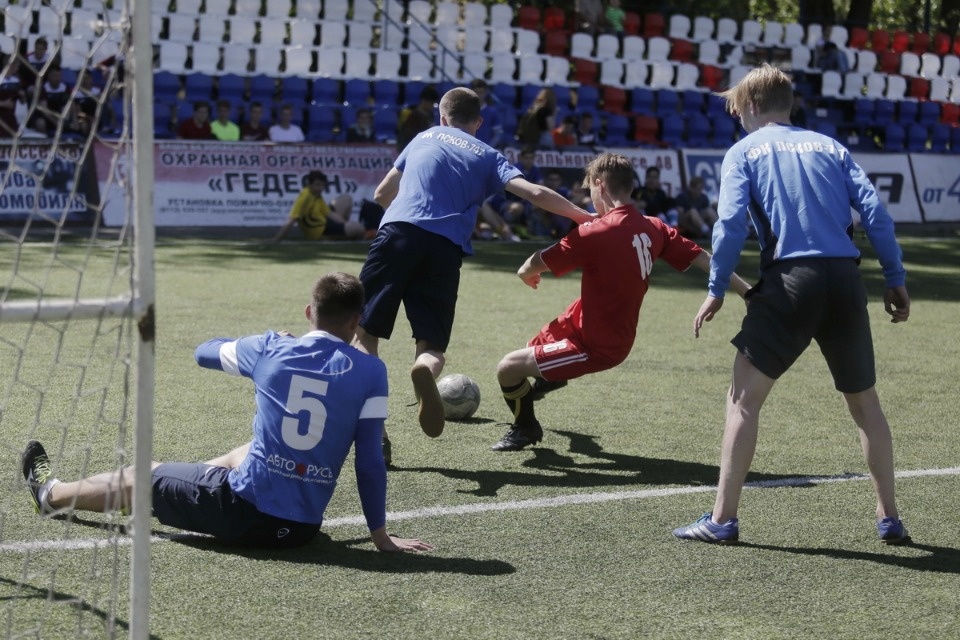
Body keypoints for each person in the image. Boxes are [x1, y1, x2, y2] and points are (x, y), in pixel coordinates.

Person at [21, 273, 433, 552]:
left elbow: (203, 352)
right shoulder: (372, 370)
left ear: (310, 313)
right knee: (246, 450)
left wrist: (262, 341)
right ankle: (175, 487)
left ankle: (50, 494)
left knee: (139, 473)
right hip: (301, 531)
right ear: (358, 321)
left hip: (244, 515)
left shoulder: (273, 347)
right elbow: (369, 461)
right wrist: (380, 536)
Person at [672, 64, 911, 545]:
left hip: (791, 281)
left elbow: (730, 224)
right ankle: (889, 518)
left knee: (743, 400)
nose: (738, 118)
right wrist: (895, 278)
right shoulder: (831, 146)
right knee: (865, 404)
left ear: (754, 105)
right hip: (845, 280)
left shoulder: (744, 151)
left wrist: (717, 287)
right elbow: (876, 215)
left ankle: (722, 520)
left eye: (738, 108)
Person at [354, 87, 593, 461]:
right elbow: (532, 192)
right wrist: (583, 217)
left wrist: (397, 211)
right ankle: (424, 370)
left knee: (365, 336)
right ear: (478, 122)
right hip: (445, 250)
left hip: (398, 235)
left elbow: (383, 192)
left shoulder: (423, 137)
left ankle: (376, 436)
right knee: (432, 346)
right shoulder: (488, 154)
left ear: (442, 116)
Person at [491, 152, 750, 451]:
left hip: (598, 345)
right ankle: (549, 380)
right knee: (528, 352)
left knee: (508, 368)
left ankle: (525, 428)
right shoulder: (654, 226)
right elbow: (705, 258)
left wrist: (525, 271)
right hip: (578, 323)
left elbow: (537, 263)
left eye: (590, 192)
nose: (590, 201)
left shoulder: (596, 231)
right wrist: (746, 291)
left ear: (600, 185)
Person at [272, 170, 364, 241]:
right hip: (320, 230)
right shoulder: (304, 197)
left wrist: (345, 224)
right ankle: (341, 235)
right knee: (359, 229)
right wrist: (277, 238)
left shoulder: (316, 194)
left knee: (346, 199)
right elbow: (292, 219)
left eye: (322, 185)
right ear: (310, 184)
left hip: (325, 221)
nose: (320, 188)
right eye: (317, 185)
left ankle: (346, 232)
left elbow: (329, 213)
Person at [397, 85, 439, 151]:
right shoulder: (412, 115)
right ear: (424, 101)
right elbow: (407, 136)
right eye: (431, 103)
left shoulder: (430, 115)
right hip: (412, 148)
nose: (432, 106)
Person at [469, 78, 504, 148]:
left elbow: (497, 134)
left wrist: (488, 148)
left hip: (485, 150)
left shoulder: (492, 112)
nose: (479, 95)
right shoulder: (463, 110)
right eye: (476, 92)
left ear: (486, 92)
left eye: (481, 92)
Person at [0, 56, 24, 138]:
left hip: (11, 116)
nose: (18, 68)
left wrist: (22, 96)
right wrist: (3, 104)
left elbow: (22, 102)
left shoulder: (17, 80)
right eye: (17, 66)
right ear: (11, 65)